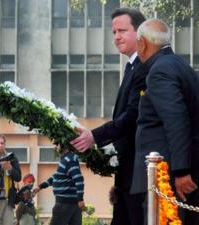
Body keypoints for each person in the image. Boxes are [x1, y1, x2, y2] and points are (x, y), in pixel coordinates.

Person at [69, 8, 147, 225]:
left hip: (138, 169)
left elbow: (132, 116)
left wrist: (93, 136)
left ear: (140, 33)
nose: (117, 37)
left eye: (122, 30)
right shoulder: (132, 67)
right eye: (113, 32)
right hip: (126, 170)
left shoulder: (143, 67)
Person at [132, 18, 199, 224]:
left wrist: (180, 171)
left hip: (167, 177)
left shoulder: (159, 71)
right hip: (180, 171)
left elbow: (176, 120)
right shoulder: (180, 65)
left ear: (142, 43)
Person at [33, 145, 85, 225]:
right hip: (70, 203)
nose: (55, 147)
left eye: (57, 144)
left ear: (63, 144)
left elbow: (78, 179)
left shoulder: (69, 160)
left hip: (65, 204)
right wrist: (40, 187)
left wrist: (80, 199)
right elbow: (56, 177)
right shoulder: (66, 160)